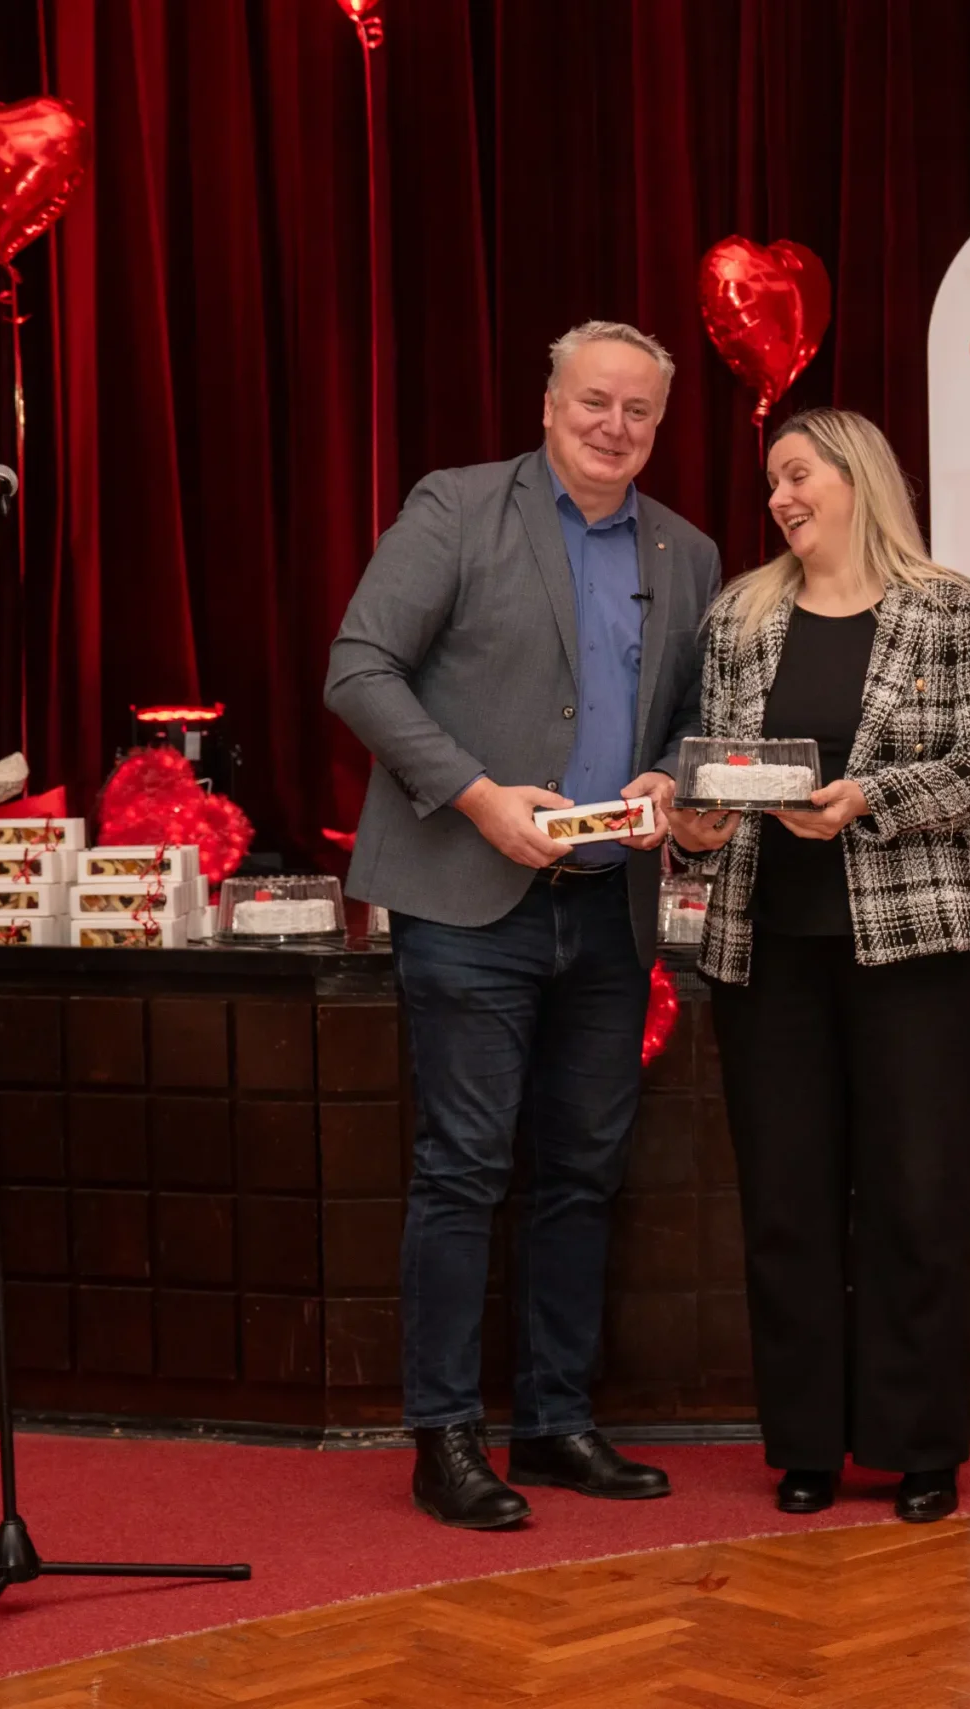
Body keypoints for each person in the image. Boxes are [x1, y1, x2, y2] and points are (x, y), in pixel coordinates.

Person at [327, 321, 720, 1530]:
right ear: (548, 403)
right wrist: (477, 795)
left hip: (608, 905)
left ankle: (553, 1420)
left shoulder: (689, 550)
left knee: (583, 1172)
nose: (614, 425)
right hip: (466, 897)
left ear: (660, 424)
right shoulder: (456, 508)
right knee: (463, 1166)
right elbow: (358, 669)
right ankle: (444, 1435)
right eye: (594, 401)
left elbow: (698, 716)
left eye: (638, 410)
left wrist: (671, 777)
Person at [668, 408, 970, 1525]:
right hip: (767, 951)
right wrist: (695, 828)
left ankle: (919, 1446)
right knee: (788, 1204)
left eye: (798, 475)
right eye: (771, 480)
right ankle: (807, 1443)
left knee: (918, 1199)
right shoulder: (741, 617)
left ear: (859, 479)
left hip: (919, 952)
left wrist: (872, 797)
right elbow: (713, 771)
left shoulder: (946, 607)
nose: (780, 497)